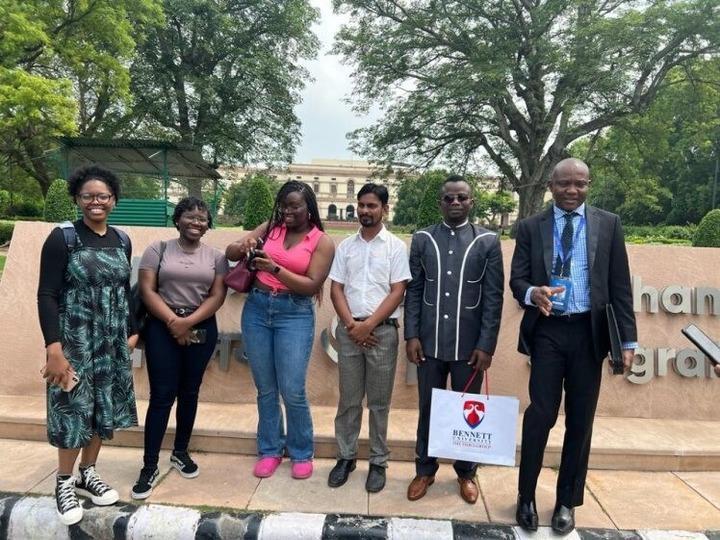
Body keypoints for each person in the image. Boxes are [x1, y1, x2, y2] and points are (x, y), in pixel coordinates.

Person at [510, 158, 637, 534]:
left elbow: (620, 286)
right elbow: (517, 280)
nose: (572, 190)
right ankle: (526, 495)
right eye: (564, 183)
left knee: (580, 420)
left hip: (588, 334)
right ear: (550, 185)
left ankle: (567, 500)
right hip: (548, 331)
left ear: (588, 184)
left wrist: (627, 341)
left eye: (579, 184)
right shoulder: (531, 226)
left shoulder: (608, 224)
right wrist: (535, 293)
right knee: (542, 414)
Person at [37, 164, 138, 525]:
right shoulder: (63, 238)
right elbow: (47, 294)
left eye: (103, 196)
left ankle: (88, 472)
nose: (96, 201)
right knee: (72, 408)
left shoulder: (123, 240)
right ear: (78, 199)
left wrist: (131, 331)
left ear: (114, 199)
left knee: (102, 407)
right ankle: (64, 482)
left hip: (111, 341)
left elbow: (123, 292)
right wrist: (54, 347)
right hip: (75, 339)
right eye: (88, 196)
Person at [404, 175, 504, 504]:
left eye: (462, 197)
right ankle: (425, 469)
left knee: (467, 412)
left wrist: (486, 345)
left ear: (472, 202)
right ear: (440, 203)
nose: (456, 203)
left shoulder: (487, 240)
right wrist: (412, 335)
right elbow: (414, 290)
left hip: (469, 348)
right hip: (429, 344)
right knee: (428, 409)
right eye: (449, 198)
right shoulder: (422, 239)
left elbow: (493, 298)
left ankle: (466, 472)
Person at [226, 181, 335, 480]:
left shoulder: (321, 241)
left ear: (308, 207)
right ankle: (270, 450)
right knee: (266, 388)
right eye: (284, 205)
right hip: (258, 309)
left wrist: (274, 268)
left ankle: (301, 451)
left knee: (292, 389)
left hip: (294, 313)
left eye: (295, 206)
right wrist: (244, 245)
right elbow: (231, 252)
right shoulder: (270, 227)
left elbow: (311, 285)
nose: (288, 211)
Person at [131, 197, 228, 500]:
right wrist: (174, 321)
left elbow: (217, 295)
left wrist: (189, 322)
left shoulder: (217, 257)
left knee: (189, 392)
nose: (196, 222)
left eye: (202, 218)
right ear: (177, 220)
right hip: (163, 326)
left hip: (201, 326)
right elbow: (147, 290)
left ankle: (180, 452)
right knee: (162, 396)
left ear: (208, 224)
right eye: (190, 216)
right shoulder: (157, 250)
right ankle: (149, 466)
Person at [327, 183, 411, 493]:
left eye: (372, 205)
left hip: (383, 333)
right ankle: (346, 457)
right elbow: (335, 288)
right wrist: (352, 325)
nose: (365, 210)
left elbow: (398, 290)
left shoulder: (395, 247)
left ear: (384, 209)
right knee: (348, 400)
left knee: (378, 403)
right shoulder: (346, 246)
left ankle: (378, 461)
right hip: (350, 332)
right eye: (361, 205)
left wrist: (369, 325)